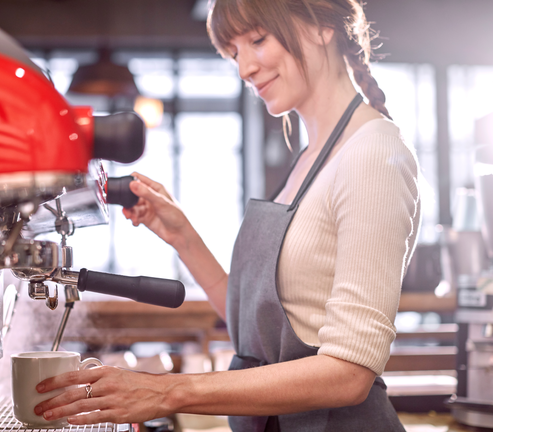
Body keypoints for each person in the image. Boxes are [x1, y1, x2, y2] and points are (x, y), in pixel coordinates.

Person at [35, 0, 421, 430]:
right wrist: (182, 237)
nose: (244, 69)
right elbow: (259, 331)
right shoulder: (311, 155)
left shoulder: (372, 154)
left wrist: (165, 391)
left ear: (321, 27)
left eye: (257, 40)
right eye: (234, 53)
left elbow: (348, 373)